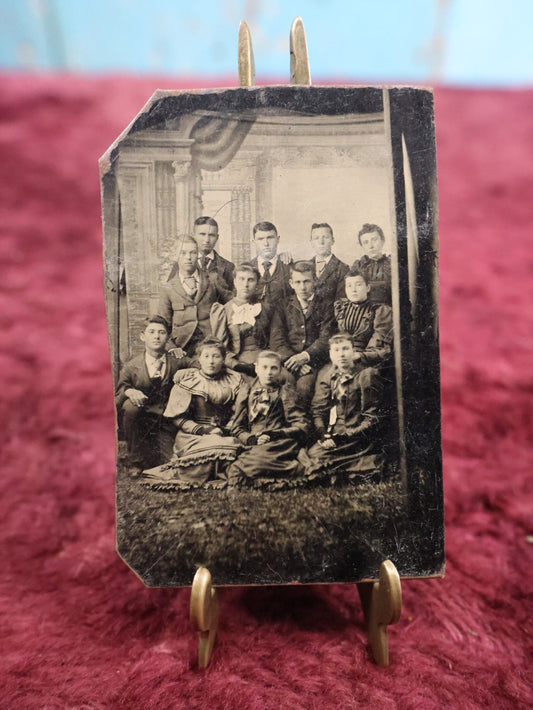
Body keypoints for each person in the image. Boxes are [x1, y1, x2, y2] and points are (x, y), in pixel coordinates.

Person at [143, 338, 245, 484]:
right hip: (192, 435)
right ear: (199, 359)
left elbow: (240, 409)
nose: (211, 361)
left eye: (216, 356)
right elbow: (178, 418)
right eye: (206, 356)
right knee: (215, 447)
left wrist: (229, 427)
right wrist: (204, 430)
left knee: (233, 447)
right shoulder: (189, 381)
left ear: (223, 359)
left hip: (227, 431)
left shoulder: (234, 379)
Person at [115, 316, 194, 472]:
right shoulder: (132, 366)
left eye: (162, 332)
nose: (156, 337)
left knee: (171, 464)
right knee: (130, 406)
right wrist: (129, 391)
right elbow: (117, 397)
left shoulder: (177, 361)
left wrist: (188, 370)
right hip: (141, 423)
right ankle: (135, 461)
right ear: (143, 336)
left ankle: (156, 452)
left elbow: (199, 365)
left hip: (166, 422)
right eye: (151, 332)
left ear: (168, 337)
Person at [303, 333, 385, 479]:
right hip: (334, 436)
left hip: (357, 437)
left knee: (316, 463)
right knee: (310, 456)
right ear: (330, 354)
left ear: (354, 352)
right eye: (336, 350)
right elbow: (318, 410)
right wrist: (323, 435)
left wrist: (344, 437)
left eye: (345, 349)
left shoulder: (366, 375)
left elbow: (372, 418)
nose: (341, 354)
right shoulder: (328, 376)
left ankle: (363, 463)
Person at [225, 351, 310, 484]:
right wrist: (251, 439)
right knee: (240, 466)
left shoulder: (285, 392)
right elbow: (237, 427)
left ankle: (293, 469)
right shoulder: (247, 391)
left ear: (280, 370)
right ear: (256, 369)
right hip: (254, 442)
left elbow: (301, 425)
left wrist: (275, 434)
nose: (269, 372)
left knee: (249, 464)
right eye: (264, 367)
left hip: (279, 441)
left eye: (273, 368)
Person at [269, 261, 337, 404]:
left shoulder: (326, 305)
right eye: (298, 282)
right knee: (281, 383)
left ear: (315, 281)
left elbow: (326, 338)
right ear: (291, 283)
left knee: (304, 387)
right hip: (289, 361)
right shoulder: (282, 305)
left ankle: (303, 425)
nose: (302, 287)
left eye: (306, 281)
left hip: (314, 360)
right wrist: (294, 360)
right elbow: (277, 339)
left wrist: (305, 356)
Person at [157, 235, 232, 357]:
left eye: (192, 252)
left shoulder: (212, 279)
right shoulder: (168, 288)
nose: (188, 257)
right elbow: (162, 324)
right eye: (183, 253)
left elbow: (232, 304)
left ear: (197, 254)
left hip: (210, 346)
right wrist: (171, 348)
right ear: (175, 256)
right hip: (181, 348)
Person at [210, 263, 270, 376]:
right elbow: (220, 349)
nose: (245, 284)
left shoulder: (264, 308)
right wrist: (237, 365)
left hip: (264, 359)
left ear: (257, 283)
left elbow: (273, 341)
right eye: (241, 279)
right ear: (235, 281)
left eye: (250, 280)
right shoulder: (224, 310)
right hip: (237, 362)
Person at [334, 269, 393, 370]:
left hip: (367, 363)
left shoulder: (380, 311)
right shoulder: (340, 308)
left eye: (358, 285)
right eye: (349, 286)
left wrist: (359, 356)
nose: (354, 290)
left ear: (368, 287)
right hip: (341, 359)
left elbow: (382, 349)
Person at [168, 216, 235, 290]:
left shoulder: (228, 267)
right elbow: (171, 292)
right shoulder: (181, 263)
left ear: (217, 237)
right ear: (194, 236)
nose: (206, 240)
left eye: (211, 235)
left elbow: (232, 298)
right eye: (202, 234)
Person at [249, 221, 293, 332]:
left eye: (270, 238)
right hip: (254, 330)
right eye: (260, 239)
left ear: (278, 239)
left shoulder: (289, 267)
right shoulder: (246, 268)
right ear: (253, 242)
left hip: (284, 330)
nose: (266, 243)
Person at [351, 223, 391, 304]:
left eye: (374, 240)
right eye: (366, 242)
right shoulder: (358, 266)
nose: (371, 246)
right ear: (362, 246)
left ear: (383, 241)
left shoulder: (392, 264)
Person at [309, 222, 349, 305]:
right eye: (316, 238)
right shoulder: (305, 266)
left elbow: (341, 303)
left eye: (326, 237)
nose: (321, 242)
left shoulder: (343, 269)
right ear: (311, 242)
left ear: (332, 241)